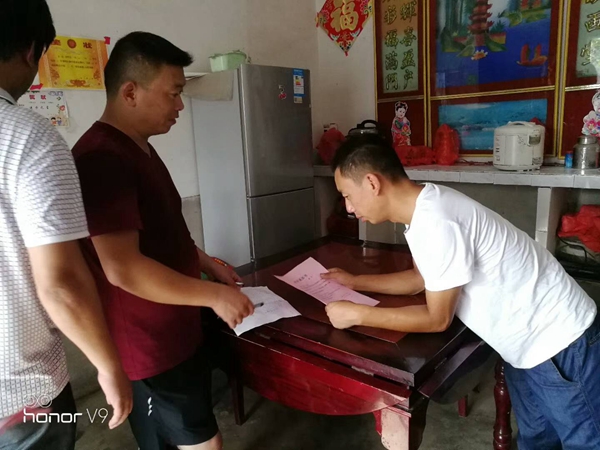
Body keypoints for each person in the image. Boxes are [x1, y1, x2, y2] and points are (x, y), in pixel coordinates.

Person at [323, 135, 600, 450]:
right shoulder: (425, 206)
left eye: (347, 195)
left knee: (585, 442)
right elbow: (419, 279)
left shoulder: (436, 220)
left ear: (372, 183)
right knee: (536, 440)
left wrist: (359, 314)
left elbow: (437, 318)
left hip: (560, 343)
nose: (348, 207)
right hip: (524, 347)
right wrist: (356, 282)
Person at [72, 32, 254, 450]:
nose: (180, 106)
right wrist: (213, 296)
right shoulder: (103, 159)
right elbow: (123, 268)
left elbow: (164, 231)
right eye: (173, 93)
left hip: (175, 331)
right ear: (130, 92)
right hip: (148, 346)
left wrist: (207, 263)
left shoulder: (139, 149)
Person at [0, 1, 132, 448]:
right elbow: (60, 282)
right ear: (30, 51)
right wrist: (108, 366)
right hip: (21, 396)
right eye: (173, 92)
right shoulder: (27, 136)